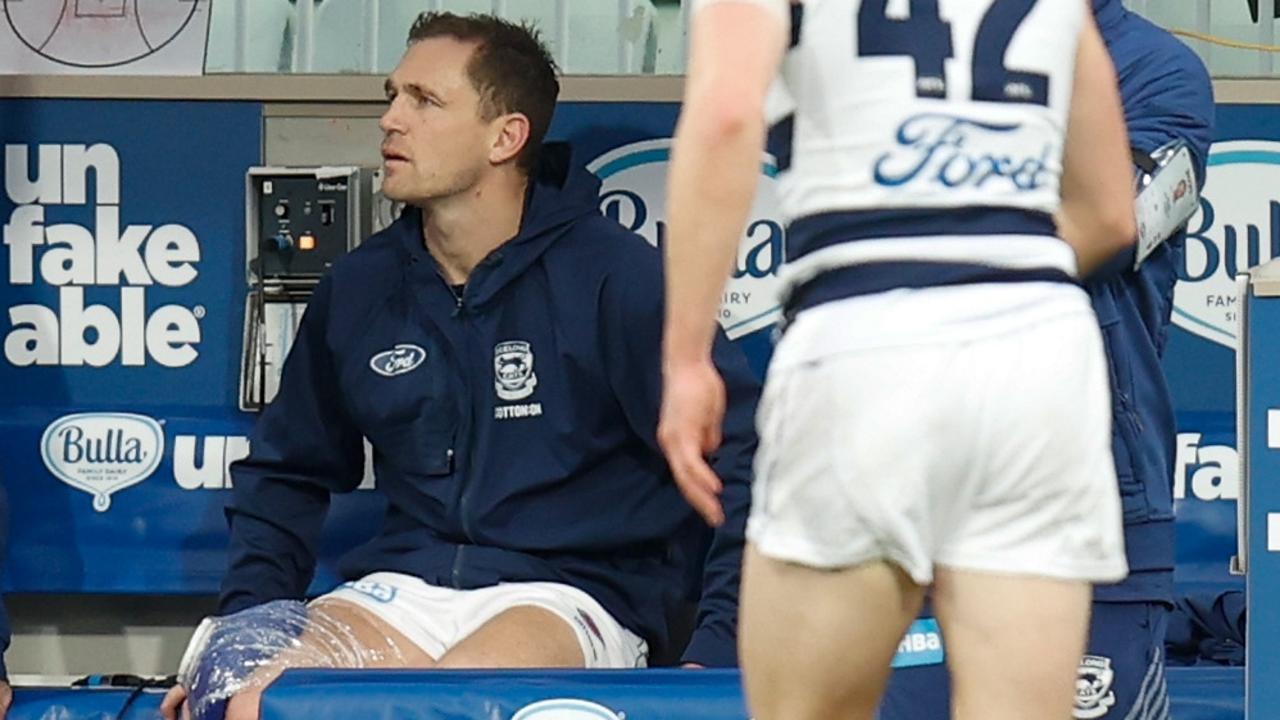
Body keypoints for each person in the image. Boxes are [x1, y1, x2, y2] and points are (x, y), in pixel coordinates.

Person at [162, 12, 758, 720]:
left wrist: (716, 648)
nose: (389, 120)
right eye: (393, 95)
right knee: (238, 685)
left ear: (506, 137)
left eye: (424, 100)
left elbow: (742, 458)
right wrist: (250, 631)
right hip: (403, 591)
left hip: (570, 595)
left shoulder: (616, 279)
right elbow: (286, 474)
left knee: (455, 702)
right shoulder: (361, 286)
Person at [658, 1, 1136, 719]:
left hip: (864, 329)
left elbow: (726, 114)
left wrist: (687, 358)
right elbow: (1109, 213)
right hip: (1036, 344)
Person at [1077, 2, 1214, 717]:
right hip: (922, 497)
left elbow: (1110, 227)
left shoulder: (1155, 68)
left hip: (1098, 497)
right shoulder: (917, 53)